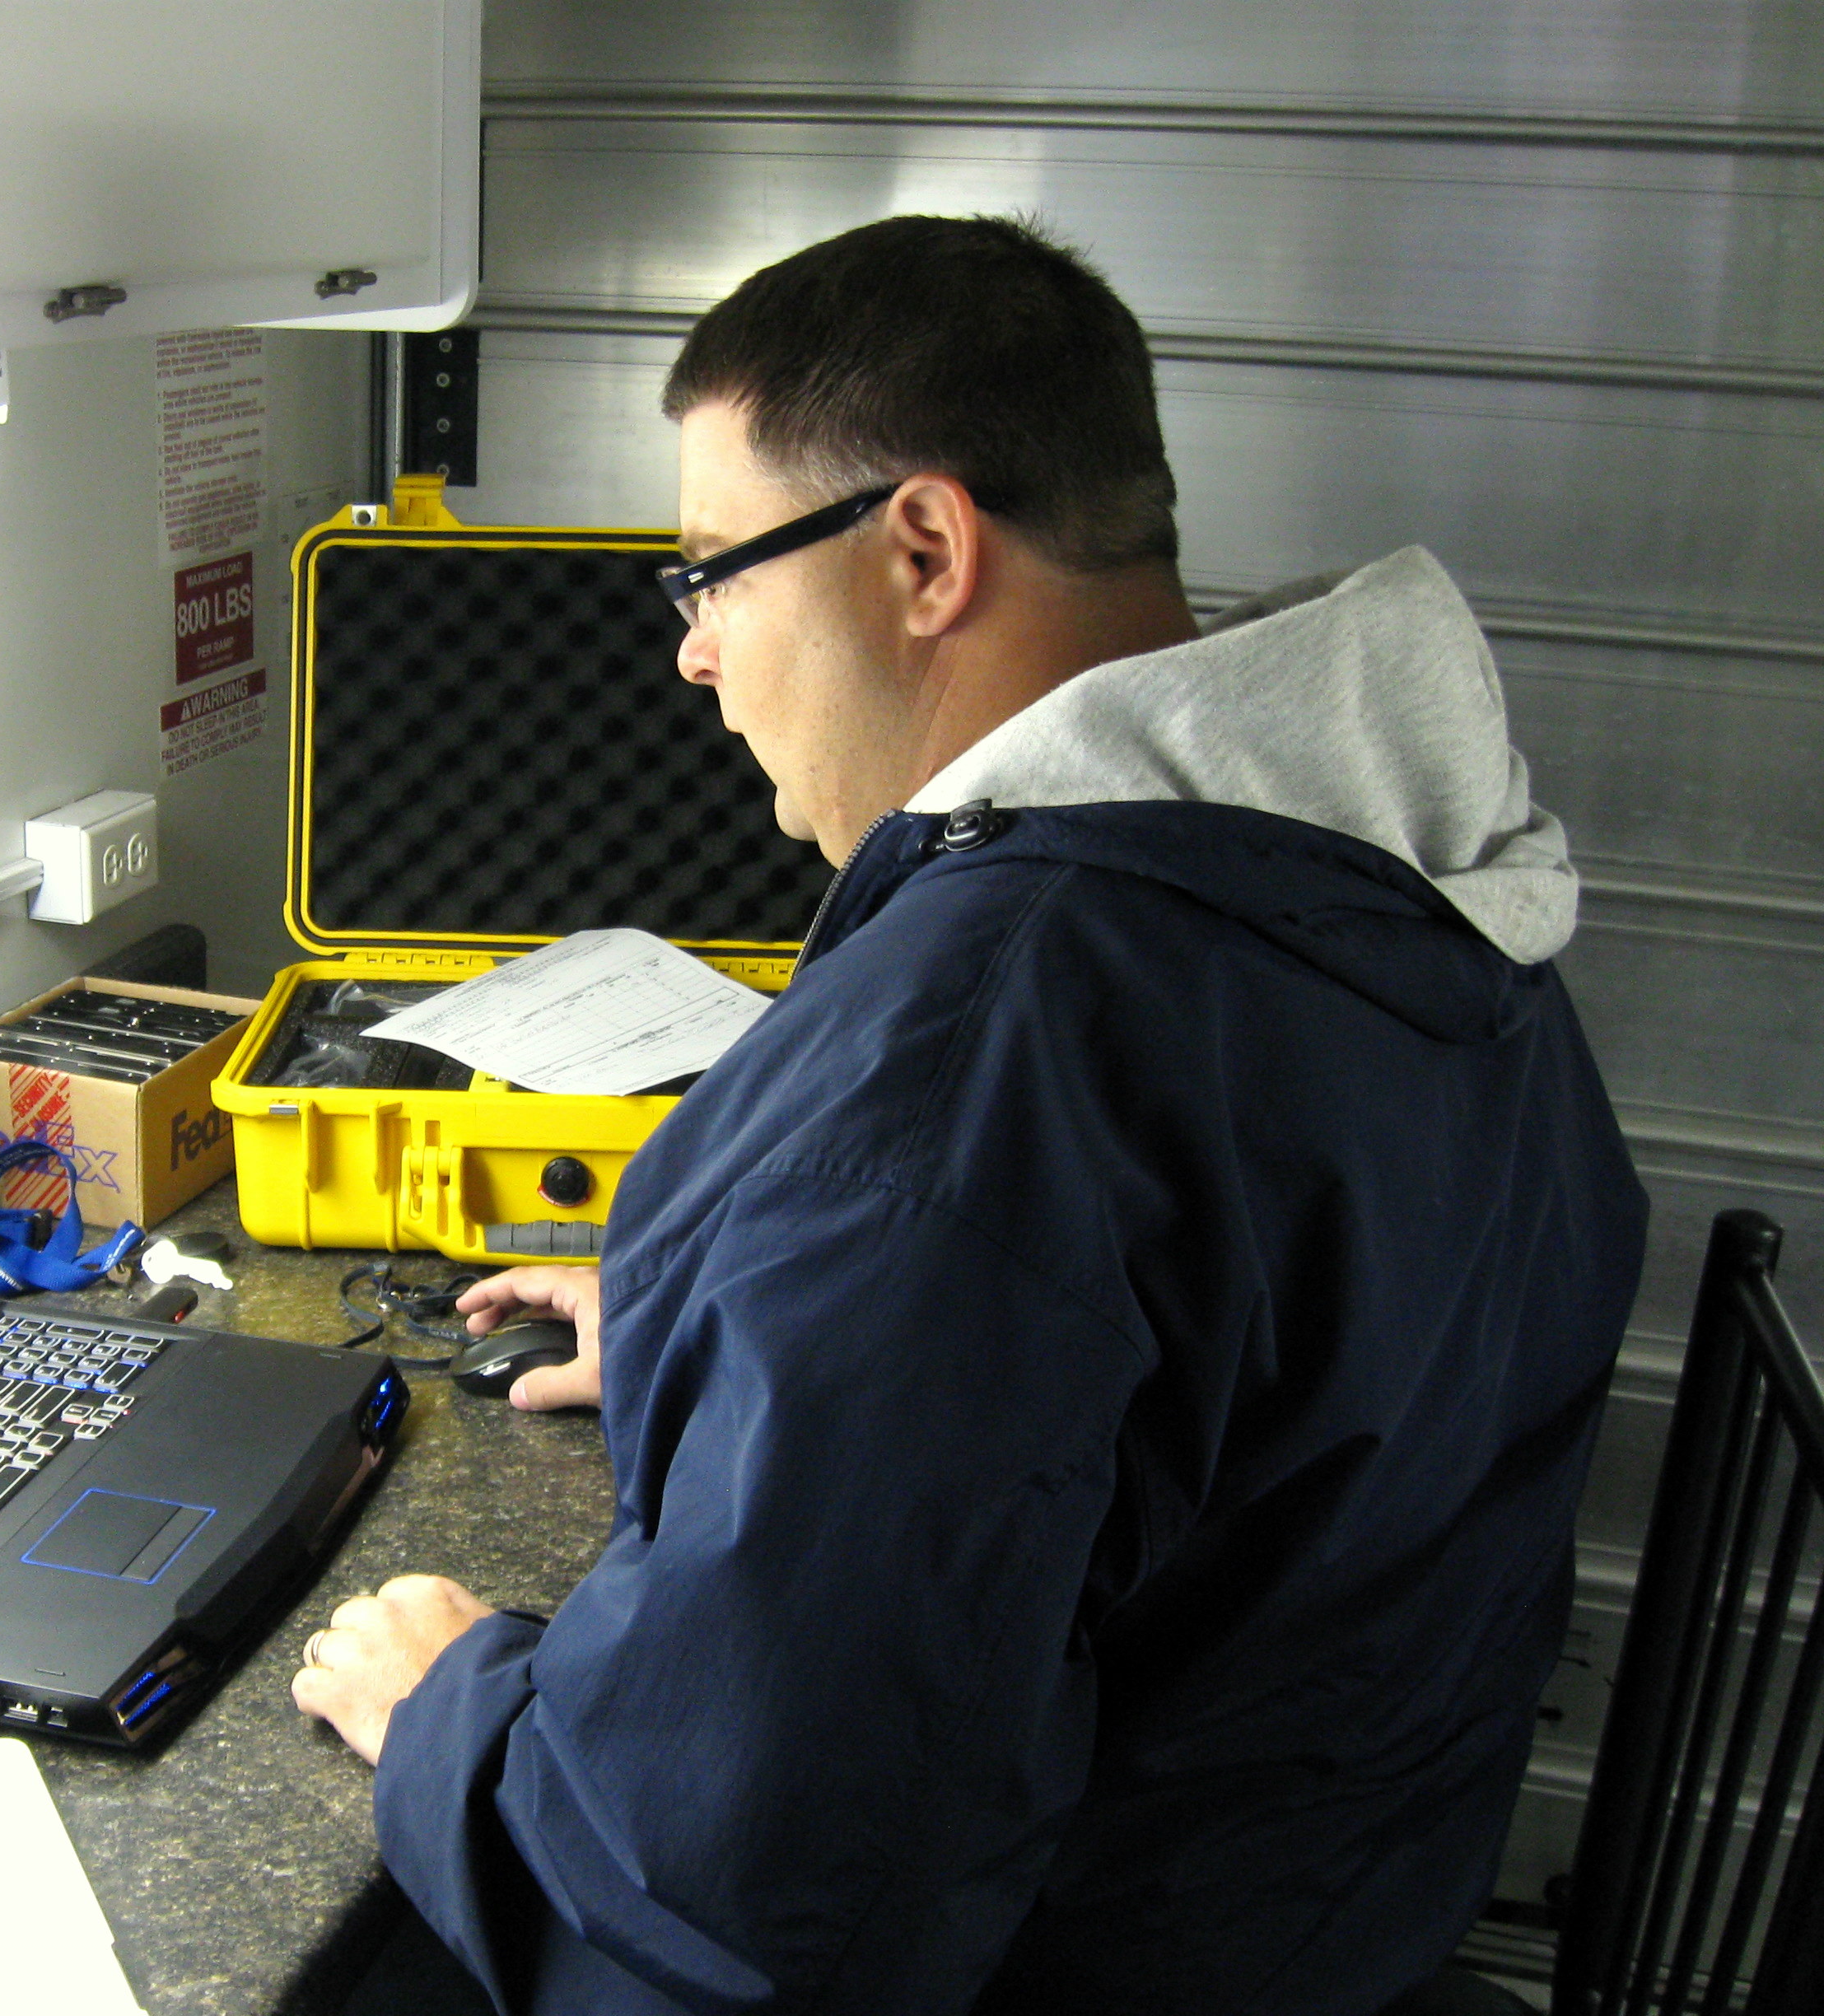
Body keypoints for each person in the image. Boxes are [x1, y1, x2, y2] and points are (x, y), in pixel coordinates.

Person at [291, 214, 1648, 2014]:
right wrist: (767, 1332)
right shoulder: (1397, 891)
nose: (690, 654)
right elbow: (1207, 1371)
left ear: (924, 549)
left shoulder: (985, 1066)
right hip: (1333, 1922)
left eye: (715, 573)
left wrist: (442, 1707)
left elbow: (731, 1924)